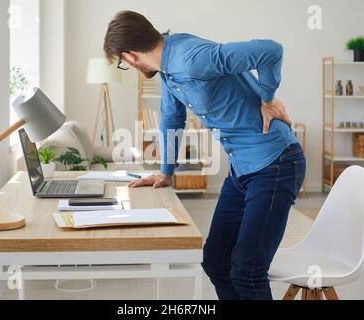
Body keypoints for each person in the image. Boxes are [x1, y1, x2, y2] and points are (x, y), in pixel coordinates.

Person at [103, 10, 306, 300]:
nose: (129, 67)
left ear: (131, 56)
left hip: (276, 163)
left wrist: (268, 99)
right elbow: (172, 118)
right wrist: (166, 171)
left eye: (123, 64)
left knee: (247, 271)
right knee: (216, 261)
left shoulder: (192, 58)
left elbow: (271, 50)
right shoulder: (168, 68)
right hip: (242, 169)